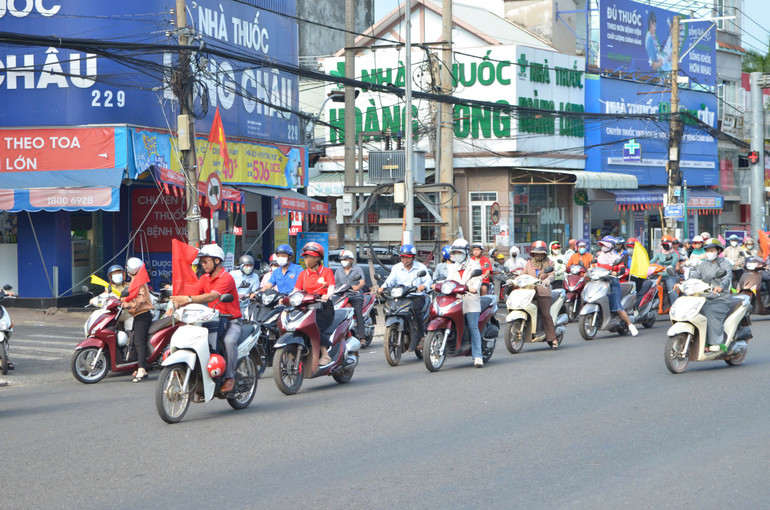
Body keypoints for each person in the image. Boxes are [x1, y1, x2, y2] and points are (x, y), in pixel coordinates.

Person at [170, 244, 242, 393]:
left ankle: (230, 377)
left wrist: (188, 299)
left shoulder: (226, 278)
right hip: (211, 320)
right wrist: (178, 303)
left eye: (205, 261)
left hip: (231, 322)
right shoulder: (204, 278)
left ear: (217, 261)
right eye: (201, 261)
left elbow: (211, 296)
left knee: (229, 341)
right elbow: (194, 294)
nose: (203, 264)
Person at [683, 239, 732, 351]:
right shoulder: (703, 264)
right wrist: (683, 283)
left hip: (720, 298)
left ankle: (715, 342)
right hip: (704, 296)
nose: (709, 253)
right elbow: (694, 276)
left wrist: (721, 286)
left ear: (718, 250)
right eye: (707, 250)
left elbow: (727, 278)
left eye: (712, 250)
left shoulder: (725, 264)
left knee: (709, 311)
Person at [293, 242, 336, 365]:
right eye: (306, 257)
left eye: (310, 257)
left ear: (318, 258)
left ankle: (325, 354)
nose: (307, 259)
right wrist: (287, 298)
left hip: (323, 306)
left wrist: (327, 295)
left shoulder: (326, 271)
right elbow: (296, 291)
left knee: (314, 325)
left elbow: (331, 287)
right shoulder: (303, 274)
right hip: (306, 307)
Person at [380, 244, 433, 344]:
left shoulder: (420, 267)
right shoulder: (396, 267)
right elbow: (390, 280)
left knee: (415, 309)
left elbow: (428, 281)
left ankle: (421, 335)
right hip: (400, 296)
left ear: (413, 257)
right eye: (403, 257)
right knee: (389, 308)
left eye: (407, 257)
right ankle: (392, 329)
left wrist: (423, 286)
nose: (405, 260)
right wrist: (382, 287)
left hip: (416, 296)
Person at [445, 239, 484, 366]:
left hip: (470, 300)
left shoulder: (475, 265)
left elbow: (478, 280)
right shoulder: (453, 267)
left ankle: (478, 356)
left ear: (466, 252)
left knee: (473, 327)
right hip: (455, 300)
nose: (457, 255)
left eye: (459, 252)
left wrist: (474, 288)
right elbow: (448, 280)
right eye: (455, 252)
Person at [595, 236, 638, 336]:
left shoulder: (616, 258)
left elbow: (621, 267)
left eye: (606, 245)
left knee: (617, 306)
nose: (603, 247)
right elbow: (596, 267)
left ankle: (630, 325)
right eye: (602, 245)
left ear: (611, 246)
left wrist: (619, 271)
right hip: (600, 282)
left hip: (612, 282)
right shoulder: (600, 257)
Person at [122, 258, 153, 383]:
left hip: (143, 316)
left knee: (140, 342)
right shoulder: (134, 282)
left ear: (129, 271)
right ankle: (138, 366)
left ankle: (142, 369)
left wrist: (129, 305)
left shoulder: (140, 283)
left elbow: (141, 299)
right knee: (134, 341)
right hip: (137, 316)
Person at [523, 241, 559, 347]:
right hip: (529, 291)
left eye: (540, 253)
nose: (538, 255)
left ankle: (553, 339)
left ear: (545, 253)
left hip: (543, 292)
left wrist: (548, 280)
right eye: (536, 253)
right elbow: (523, 274)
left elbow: (552, 275)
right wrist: (513, 280)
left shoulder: (550, 263)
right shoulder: (529, 263)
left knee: (545, 314)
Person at [333, 249, 366, 342]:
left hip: (355, 296)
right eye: (342, 259)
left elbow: (362, 282)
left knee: (358, 313)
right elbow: (334, 284)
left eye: (345, 259)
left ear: (351, 260)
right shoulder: (338, 271)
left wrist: (358, 287)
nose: (343, 261)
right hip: (343, 295)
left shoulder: (358, 269)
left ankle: (362, 338)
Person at [650, 236, 680, 305]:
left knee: (672, 290)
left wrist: (668, 267)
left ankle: (675, 306)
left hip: (669, 275)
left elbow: (673, 264)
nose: (665, 245)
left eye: (667, 243)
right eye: (663, 244)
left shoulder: (674, 254)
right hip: (659, 275)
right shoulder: (659, 254)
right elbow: (651, 261)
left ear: (671, 244)